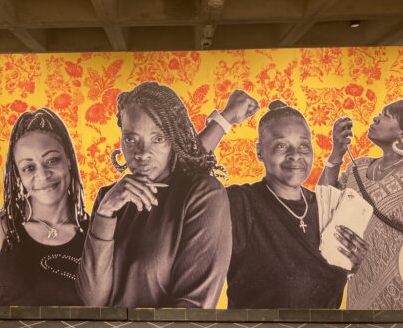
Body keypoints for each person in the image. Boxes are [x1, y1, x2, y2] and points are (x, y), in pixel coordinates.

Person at [201, 96, 368, 308]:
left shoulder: (324, 206)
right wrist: (226, 118)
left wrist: (352, 263)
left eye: (304, 146)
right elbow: (184, 180)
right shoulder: (240, 203)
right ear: (259, 151)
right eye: (281, 146)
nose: (295, 155)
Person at [76, 81, 232, 308]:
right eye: (131, 139)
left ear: (174, 140)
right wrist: (105, 215)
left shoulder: (204, 195)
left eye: (158, 138)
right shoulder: (109, 199)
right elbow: (92, 301)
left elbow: (192, 309)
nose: (142, 153)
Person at [0, 108, 87, 306]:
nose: (42, 175)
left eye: (52, 160)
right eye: (29, 168)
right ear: (18, 175)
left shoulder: (96, 233)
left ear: (68, 160)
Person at [318, 99, 403, 309]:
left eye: (385, 115)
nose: (375, 117)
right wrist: (337, 151)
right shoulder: (360, 167)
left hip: (396, 286)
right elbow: (322, 201)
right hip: (357, 283)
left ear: (401, 135)